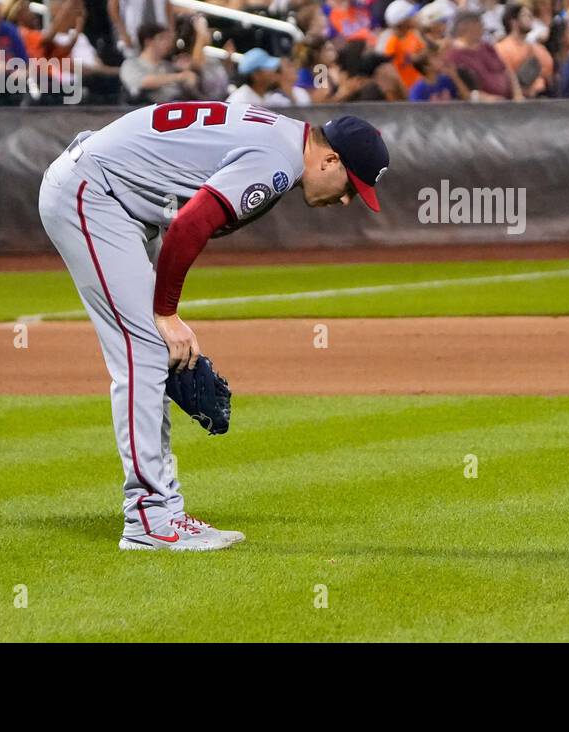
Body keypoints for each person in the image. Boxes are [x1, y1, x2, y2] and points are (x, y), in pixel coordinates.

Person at [38, 108, 389, 551]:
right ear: (330, 160)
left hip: (110, 193)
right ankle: (149, 518)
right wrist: (166, 313)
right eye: (350, 188)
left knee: (153, 352)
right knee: (144, 351)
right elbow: (190, 224)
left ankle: (163, 509)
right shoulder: (278, 162)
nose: (344, 201)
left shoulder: (280, 133)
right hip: (92, 193)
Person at [120, 21, 197, 102]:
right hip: (147, 107)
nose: (167, 43)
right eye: (162, 38)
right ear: (148, 42)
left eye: (168, 39)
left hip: (176, 105)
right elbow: (144, 83)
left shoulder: (168, 66)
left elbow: (190, 85)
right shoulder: (131, 64)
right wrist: (180, 76)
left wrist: (186, 70)